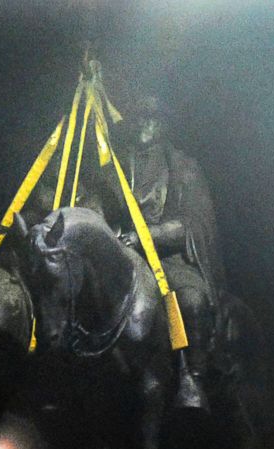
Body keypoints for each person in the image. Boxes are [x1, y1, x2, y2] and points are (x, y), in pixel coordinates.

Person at [110, 96, 224, 410]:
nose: (145, 124)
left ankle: (193, 376)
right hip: (121, 250)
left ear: (164, 125)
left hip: (166, 257)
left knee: (190, 300)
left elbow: (194, 221)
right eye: (140, 117)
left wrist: (147, 236)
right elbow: (98, 201)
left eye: (153, 118)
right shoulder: (114, 165)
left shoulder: (184, 167)